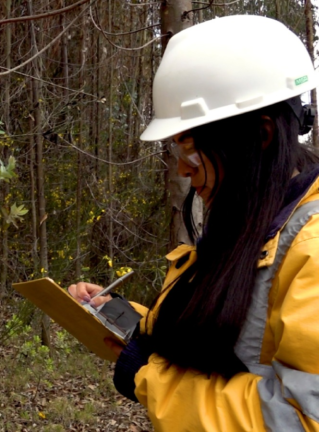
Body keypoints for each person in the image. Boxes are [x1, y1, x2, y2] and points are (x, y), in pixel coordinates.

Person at [68, 15, 319, 431]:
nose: (184, 171)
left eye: (192, 149)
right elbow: (228, 338)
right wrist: (125, 319)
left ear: (262, 135)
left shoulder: (310, 248)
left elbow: (299, 418)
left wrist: (150, 377)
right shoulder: (253, 223)